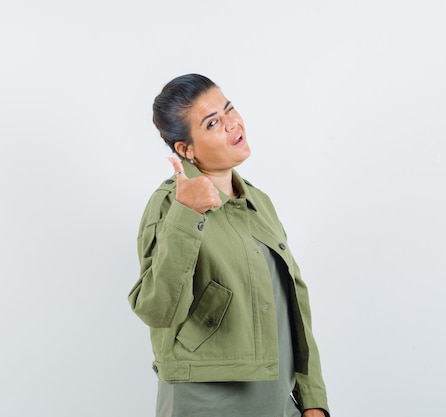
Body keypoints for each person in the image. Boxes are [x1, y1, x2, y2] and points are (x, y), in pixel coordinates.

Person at [128, 74, 330, 417]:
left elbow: (294, 300)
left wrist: (313, 400)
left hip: (277, 399)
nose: (232, 124)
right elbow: (157, 308)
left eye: (229, 109)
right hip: (206, 402)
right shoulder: (169, 204)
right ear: (185, 149)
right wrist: (186, 213)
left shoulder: (259, 202)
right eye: (212, 123)